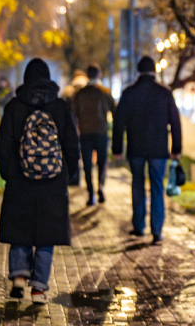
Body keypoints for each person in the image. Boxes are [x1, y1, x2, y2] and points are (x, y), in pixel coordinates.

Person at [0, 58, 80, 304]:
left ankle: (19, 276)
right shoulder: (60, 108)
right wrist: (68, 172)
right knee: (46, 236)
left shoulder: (14, 107)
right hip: (52, 182)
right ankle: (39, 289)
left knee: (20, 229)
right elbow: (71, 145)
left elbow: (3, 144)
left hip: (20, 181)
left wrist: (9, 171)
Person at [112, 56, 182, 245]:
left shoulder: (129, 93)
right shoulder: (164, 93)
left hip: (136, 147)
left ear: (139, 71)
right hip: (159, 149)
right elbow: (175, 122)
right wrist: (177, 148)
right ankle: (157, 231)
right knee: (157, 187)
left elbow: (119, 123)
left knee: (137, 184)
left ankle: (138, 226)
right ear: (154, 71)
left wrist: (117, 148)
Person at [72, 64, 116, 206]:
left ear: (87, 75)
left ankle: (91, 193)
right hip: (102, 133)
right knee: (102, 162)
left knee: (87, 164)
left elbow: (73, 115)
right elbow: (115, 113)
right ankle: (101, 187)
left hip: (85, 134)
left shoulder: (80, 94)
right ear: (100, 75)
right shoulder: (106, 92)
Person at [62, 69, 89, 185]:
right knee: (87, 154)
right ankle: (90, 182)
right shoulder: (90, 89)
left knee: (73, 150)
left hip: (71, 125)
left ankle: (74, 177)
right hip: (88, 126)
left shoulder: (68, 90)